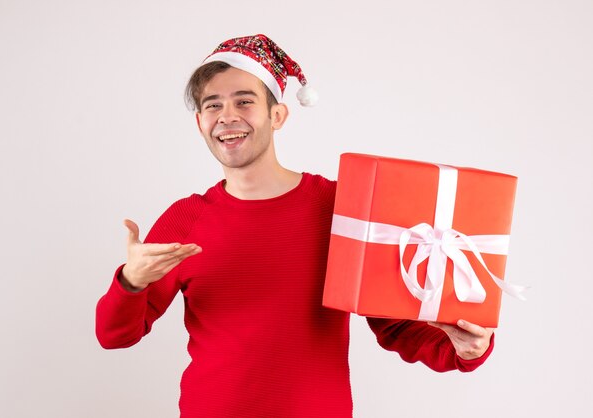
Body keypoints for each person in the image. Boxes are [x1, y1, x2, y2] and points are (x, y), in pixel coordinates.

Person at [96, 34, 495, 417]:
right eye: (213, 105)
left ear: (277, 115)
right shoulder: (186, 219)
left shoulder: (341, 207)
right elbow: (115, 335)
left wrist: (464, 349)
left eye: (244, 101)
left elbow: (394, 325)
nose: (227, 116)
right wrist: (131, 281)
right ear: (200, 122)